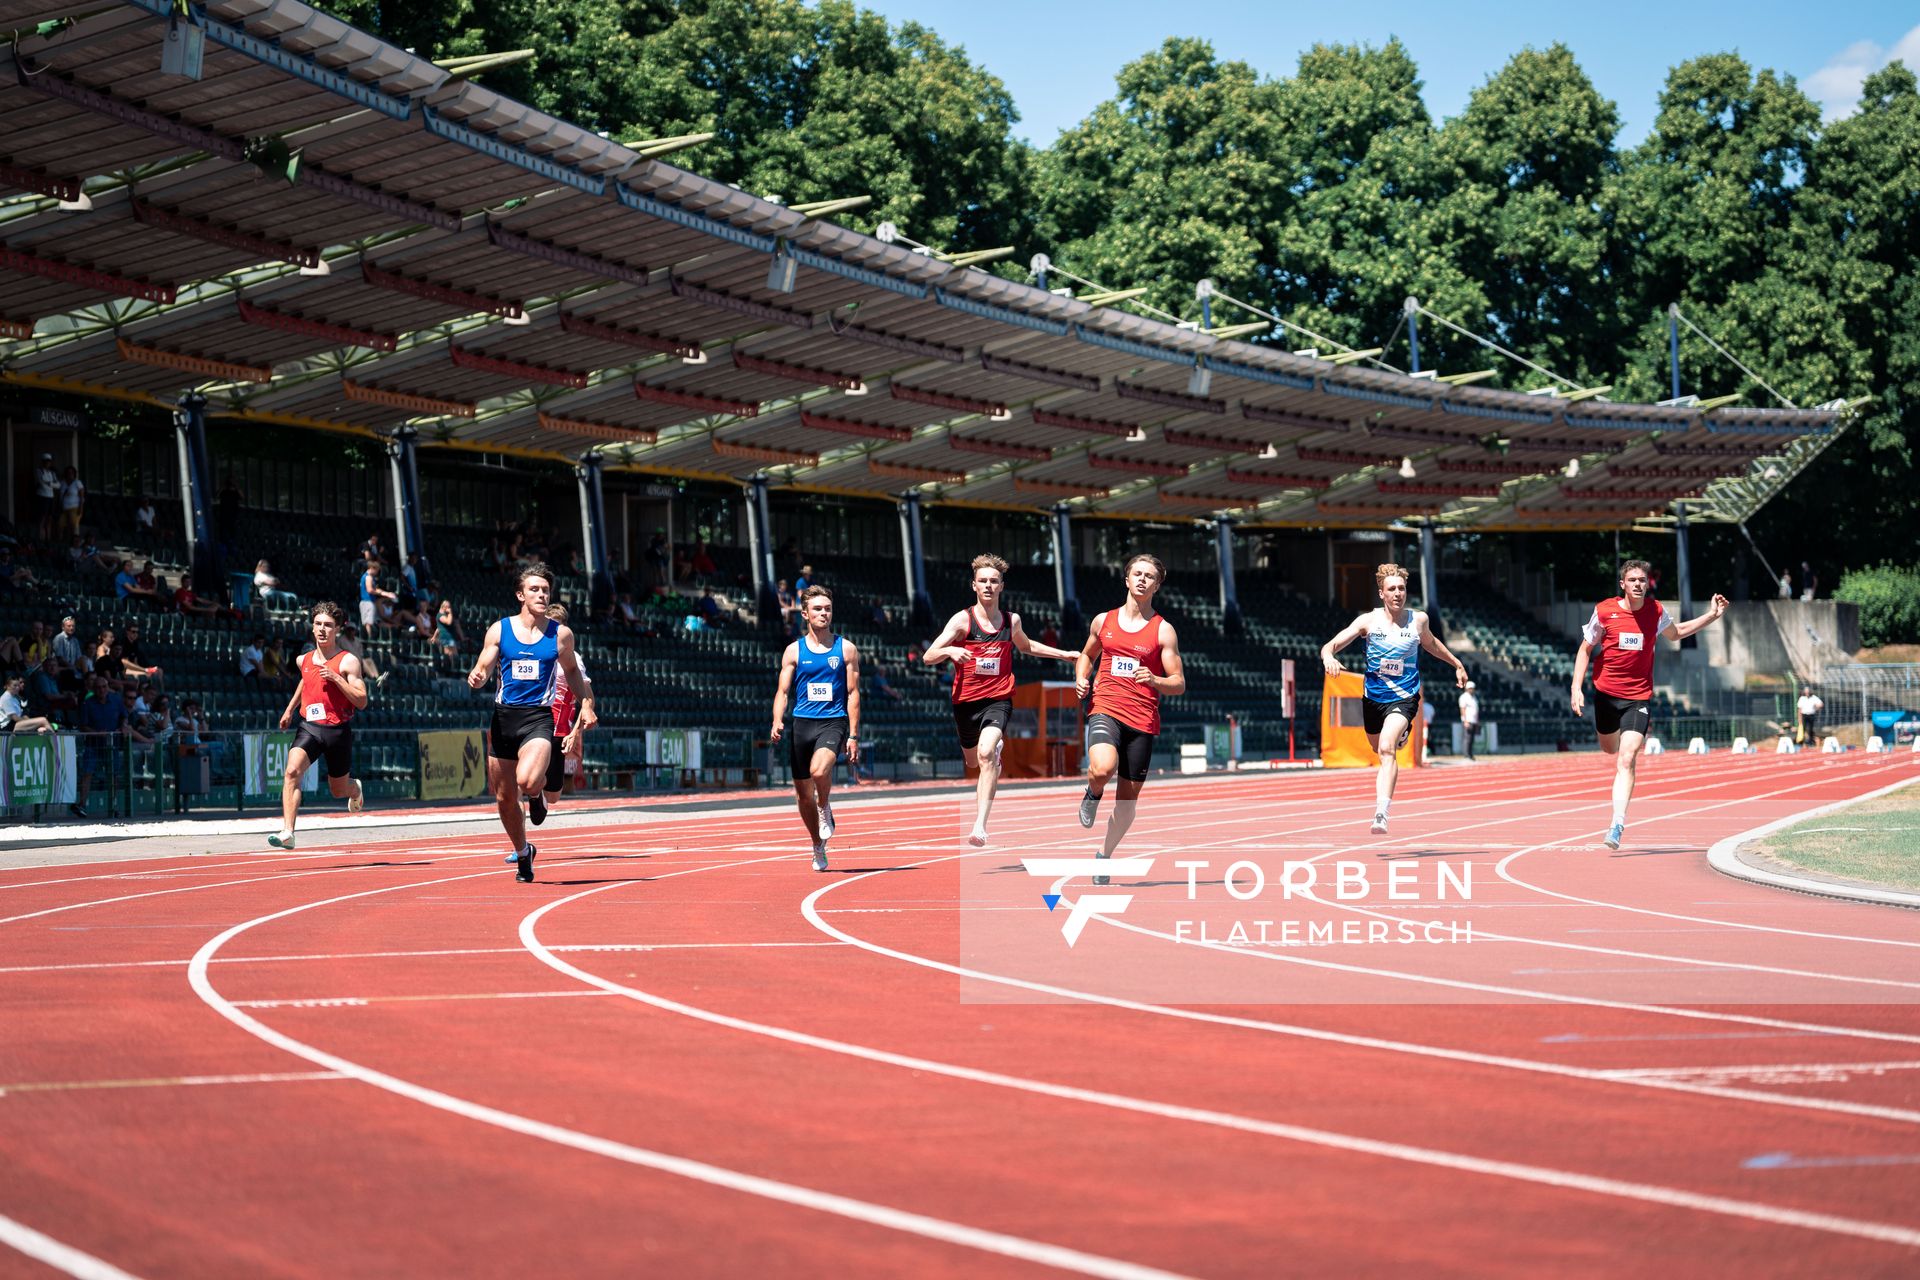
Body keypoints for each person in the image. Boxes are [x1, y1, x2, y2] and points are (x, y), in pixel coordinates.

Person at [1570, 559, 1730, 850]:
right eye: (1632, 580)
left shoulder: (1656, 611)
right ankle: (1615, 754)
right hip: (1605, 695)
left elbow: (1678, 633)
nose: (1638, 585)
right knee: (1610, 749)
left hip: (1637, 697)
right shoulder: (1605, 611)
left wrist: (1712, 615)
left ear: (1648, 583)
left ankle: (1617, 823)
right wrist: (1575, 687)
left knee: (1627, 758)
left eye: (1642, 580)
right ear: (1623, 585)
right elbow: (1585, 649)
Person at [924, 554, 1079, 846]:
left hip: (999, 698)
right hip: (965, 702)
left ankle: (980, 826)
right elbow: (928, 655)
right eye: (982, 581)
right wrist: (950, 652)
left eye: (993, 581)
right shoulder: (962, 620)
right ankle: (990, 754)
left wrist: (1064, 654)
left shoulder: (1011, 620)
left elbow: (1028, 645)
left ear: (1001, 586)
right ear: (974, 585)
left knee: (985, 754)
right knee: (972, 761)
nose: (988, 586)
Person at [1319, 562, 1468, 835]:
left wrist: (1456, 663)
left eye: (1402, 588)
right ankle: (1398, 735)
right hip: (1373, 698)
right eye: (1392, 589)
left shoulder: (1418, 620)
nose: (1398, 593)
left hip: (1405, 696)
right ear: (1382, 594)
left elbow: (1431, 644)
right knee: (1378, 748)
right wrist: (1329, 656)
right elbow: (1331, 645)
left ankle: (1381, 813)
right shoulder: (1368, 622)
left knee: (1388, 749)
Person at [468, 563, 593, 883]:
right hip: (503, 718)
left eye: (546, 590)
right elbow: (484, 663)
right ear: (520, 594)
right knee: (504, 799)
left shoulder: (561, 635)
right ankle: (524, 852)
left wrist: (587, 704)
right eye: (535, 589)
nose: (541, 594)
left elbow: (574, 674)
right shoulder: (500, 629)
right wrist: (478, 675)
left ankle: (536, 796)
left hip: (537, 718)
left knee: (526, 781)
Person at [1074, 554, 1188, 883]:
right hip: (1105, 707)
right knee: (1102, 768)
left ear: (1157, 585)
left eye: (1148, 576)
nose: (1141, 579)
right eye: (1136, 573)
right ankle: (1093, 793)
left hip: (1142, 721)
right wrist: (1082, 676)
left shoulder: (1163, 631)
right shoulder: (1103, 621)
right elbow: (1086, 655)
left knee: (1127, 804)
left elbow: (1178, 683)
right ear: (1126, 579)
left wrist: (1155, 680)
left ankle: (1104, 856)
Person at [769, 585, 861, 871]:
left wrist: (854, 734)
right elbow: (783, 691)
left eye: (828, 609)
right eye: (818, 609)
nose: (824, 613)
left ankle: (825, 807)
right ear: (805, 613)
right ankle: (817, 846)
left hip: (833, 721)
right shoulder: (793, 651)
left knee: (819, 771)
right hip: (802, 724)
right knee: (801, 794)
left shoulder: (845, 648)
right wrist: (777, 719)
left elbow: (854, 693)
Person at [267, 603, 367, 848]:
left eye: (329, 625)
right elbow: (306, 680)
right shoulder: (305, 659)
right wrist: (290, 709)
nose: (322, 629)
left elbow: (362, 700)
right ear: (312, 627)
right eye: (318, 624)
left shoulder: (348, 662)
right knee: (291, 772)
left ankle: (355, 790)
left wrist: (336, 679)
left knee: (338, 790)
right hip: (310, 726)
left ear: (338, 630)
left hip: (337, 732)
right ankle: (288, 832)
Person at [358, 560, 395, 631]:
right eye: (377, 570)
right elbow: (370, 590)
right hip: (367, 602)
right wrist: (382, 593)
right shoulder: (368, 577)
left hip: (370, 602)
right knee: (368, 623)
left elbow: (376, 589)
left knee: (374, 622)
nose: (377, 572)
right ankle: (369, 637)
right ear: (372, 568)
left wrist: (386, 593)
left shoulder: (371, 578)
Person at [34, 454, 60, 539]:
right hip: (42, 497)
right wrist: (51, 484)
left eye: (49, 461)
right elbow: (41, 484)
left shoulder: (52, 473)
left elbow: (58, 485)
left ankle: (47, 538)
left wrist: (49, 483)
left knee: (49, 519)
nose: (47, 463)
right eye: (45, 461)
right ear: (42, 462)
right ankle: (40, 538)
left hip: (50, 497)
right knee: (42, 518)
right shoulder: (39, 471)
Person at [58, 465, 85, 537]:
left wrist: (81, 508)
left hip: (74, 508)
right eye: (68, 473)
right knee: (60, 524)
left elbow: (82, 496)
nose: (70, 474)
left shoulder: (77, 482)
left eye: (71, 473)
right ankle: (61, 541)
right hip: (64, 508)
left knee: (72, 526)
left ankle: (72, 541)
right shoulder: (62, 483)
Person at [1458, 681, 1482, 762]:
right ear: (1467, 689)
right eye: (1470, 688)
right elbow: (1463, 709)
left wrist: (1477, 720)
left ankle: (1470, 754)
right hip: (1468, 720)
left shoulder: (1474, 697)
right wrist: (1465, 721)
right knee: (1467, 738)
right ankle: (1466, 755)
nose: (1472, 690)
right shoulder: (1464, 697)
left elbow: (1476, 710)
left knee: (1471, 739)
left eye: (1473, 688)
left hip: (1474, 721)